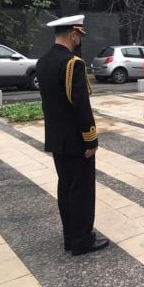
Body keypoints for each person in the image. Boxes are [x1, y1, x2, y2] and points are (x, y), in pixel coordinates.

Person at [37, 15, 109, 256]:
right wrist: (90, 139)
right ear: (73, 34)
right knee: (81, 190)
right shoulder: (73, 63)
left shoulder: (43, 61)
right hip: (77, 140)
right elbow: (80, 106)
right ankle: (82, 240)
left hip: (56, 137)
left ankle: (70, 236)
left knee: (65, 186)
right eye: (79, 35)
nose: (79, 40)